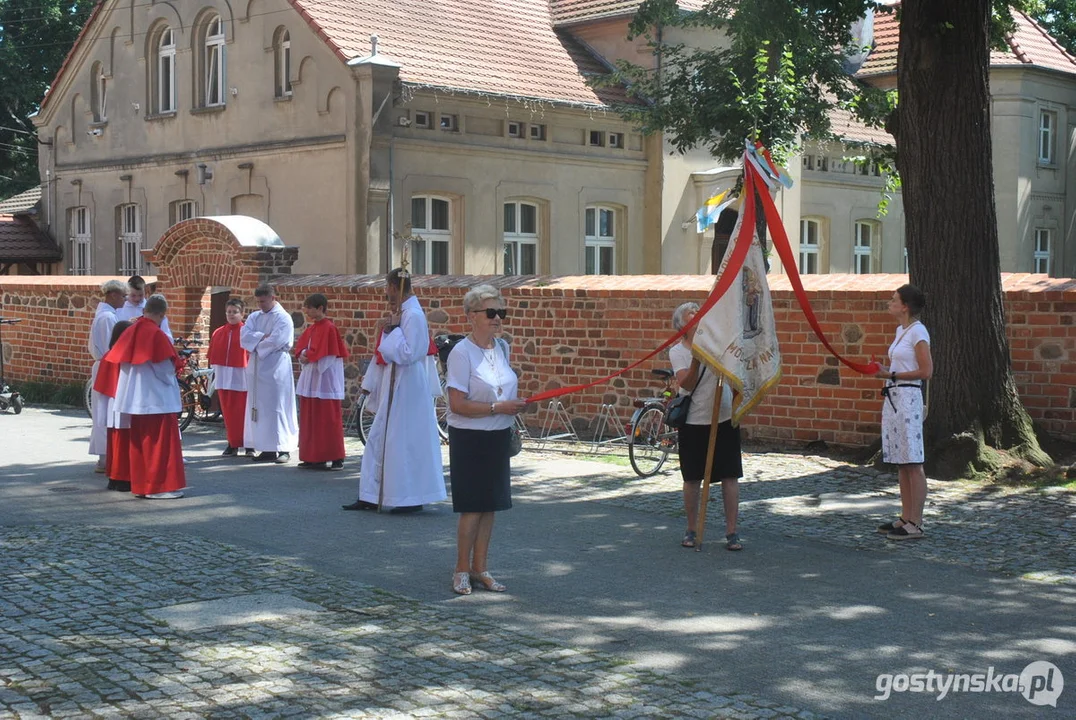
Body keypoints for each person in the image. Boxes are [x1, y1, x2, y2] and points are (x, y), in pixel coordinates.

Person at [445, 285, 528, 595]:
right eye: (491, 313)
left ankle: (481, 568)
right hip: (469, 437)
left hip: (497, 435)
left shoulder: (502, 347)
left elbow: (502, 388)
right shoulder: (461, 353)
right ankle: (461, 569)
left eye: (501, 313)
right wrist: (497, 407)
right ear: (472, 316)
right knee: (472, 507)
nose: (497, 319)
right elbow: (457, 404)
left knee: (490, 505)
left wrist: (514, 404)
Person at [343, 268, 445, 513]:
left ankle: (409, 497)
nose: (386, 294)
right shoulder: (404, 313)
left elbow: (411, 353)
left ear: (394, 287)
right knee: (379, 439)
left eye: (387, 288)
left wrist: (392, 331)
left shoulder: (414, 315)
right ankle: (371, 494)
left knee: (403, 442)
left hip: (408, 386)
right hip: (397, 381)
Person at [669, 301, 744, 551]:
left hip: (723, 418)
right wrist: (697, 361)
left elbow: (736, 372)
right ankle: (691, 529)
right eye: (692, 316)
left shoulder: (718, 347)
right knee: (692, 479)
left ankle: (732, 532)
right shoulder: (678, 352)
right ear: (683, 326)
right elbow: (686, 384)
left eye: (699, 315)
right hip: (694, 422)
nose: (699, 319)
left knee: (729, 475)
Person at [110, 295, 186, 499]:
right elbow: (163, 369)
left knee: (141, 445)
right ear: (162, 314)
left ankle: (143, 486)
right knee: (158, 446)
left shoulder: (132, 329)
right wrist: (175, 372)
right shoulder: (156, 334)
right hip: (156, 399)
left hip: (136, 398)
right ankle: (158, 488)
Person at [874, 284, 933, 541]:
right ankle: (905, 516)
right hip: (895, 395)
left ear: (905, 306)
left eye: (894, 299)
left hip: (908, 396)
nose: (890, 302)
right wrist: (886, 371)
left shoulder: (918, 332)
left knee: (913, 460)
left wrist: (892, 374)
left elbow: (926, 371)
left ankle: (916, 522)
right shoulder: (901, 330)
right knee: (901, 460)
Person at [240, 285, 299, 464]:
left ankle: (283, 448)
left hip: (276, 366)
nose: (260, 305)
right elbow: (244, 337)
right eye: (258, 302)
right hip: (257, 367)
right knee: (260, 407)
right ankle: (265, 448)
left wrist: (257, 340)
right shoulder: (254, 316)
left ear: (273, 298)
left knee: (278, 406)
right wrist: (261, 337)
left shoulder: (283, 318)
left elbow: (277, 340)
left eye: (263, 301)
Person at [295, 293, 349, 470]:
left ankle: (335, 456)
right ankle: (314, 456)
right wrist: (304, 355)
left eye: (310, 307)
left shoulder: (329, 328)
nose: (307, 311)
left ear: (320, 308)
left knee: (328, 418)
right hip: (312, 375)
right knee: (311, 417)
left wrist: (309, 356)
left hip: (325, 377)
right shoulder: (311, 328)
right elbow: (303, 348)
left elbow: (328, 353)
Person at [88, 279, 127, 473]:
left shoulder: (108, 315)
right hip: (107, 366)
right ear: (112, 295)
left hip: (106, 365)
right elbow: (109, 347)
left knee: (106, 411)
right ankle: (104, 457)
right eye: (123, 295)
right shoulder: (106, 318)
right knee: (105, 412)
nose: (125, 299)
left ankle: (106, 456)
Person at [94, 320, 133, 491]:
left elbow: (102, 385)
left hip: (110, 403)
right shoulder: (125, 356)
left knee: (114, 443)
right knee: (124, 444)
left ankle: (113, 477)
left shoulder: (108, 354)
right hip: (123, 403)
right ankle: (123, 478)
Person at [208, 298, 249, 457]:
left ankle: (247, 443)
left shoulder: (246, 331)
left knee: (242, 411)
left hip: (241, 376)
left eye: (235, 312)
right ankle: (232, 442)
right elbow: (213, 356)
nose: (231, 315)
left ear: (242, 313)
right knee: (228, 412)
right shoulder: (218, 332)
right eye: (229, 312)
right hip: (224, 375)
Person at [116, 275, 173, 342]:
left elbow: (168, 338)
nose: (137, 299)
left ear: (145, 291)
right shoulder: (119, 308)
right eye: (133, 295)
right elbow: (115, 334)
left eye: (140, 295)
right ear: (127, 292)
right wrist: (126, 325)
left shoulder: (153, 308)